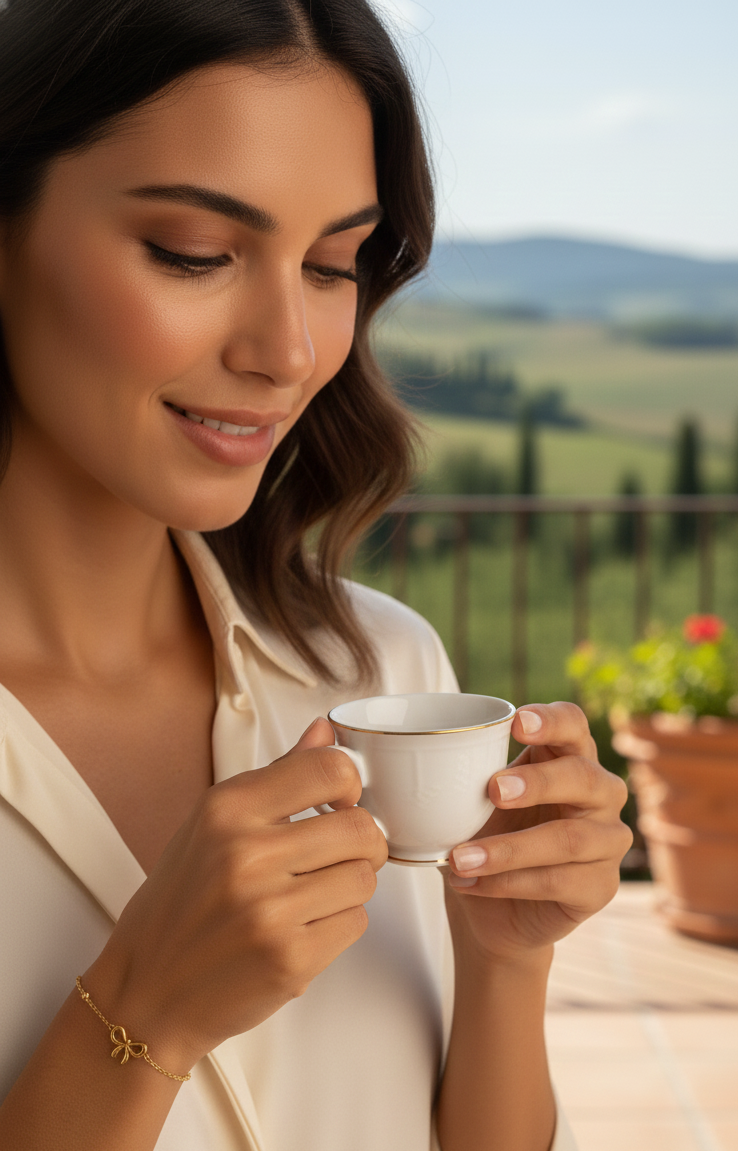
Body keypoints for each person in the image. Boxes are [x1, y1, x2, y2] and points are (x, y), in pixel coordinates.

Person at [0, 1, 632, 1148]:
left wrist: (507, 956)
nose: (290, 351)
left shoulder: (378, 667)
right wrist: (137, 1012)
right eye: (195, 253)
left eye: (336, 263)